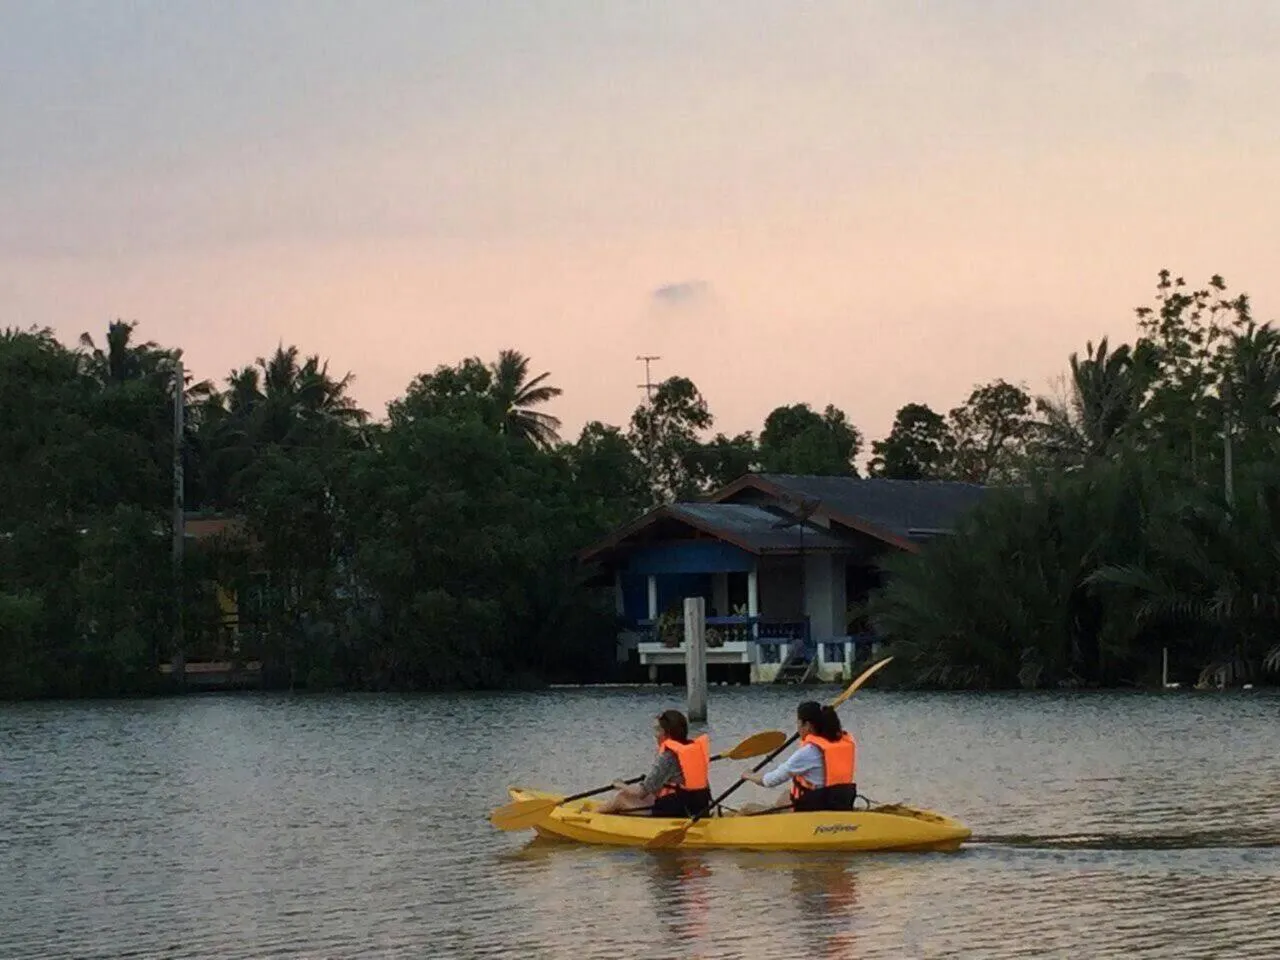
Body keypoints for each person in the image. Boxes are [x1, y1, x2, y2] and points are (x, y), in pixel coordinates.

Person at [741, 700, 856, 812]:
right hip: (841, 802)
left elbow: (769, 781)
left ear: (807, 725)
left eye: (798, 723)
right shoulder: (843, 743)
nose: (797, 728)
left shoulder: (809, 752)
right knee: (787, 794)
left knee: (747, 808)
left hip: (817, 807)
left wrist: (749, 775)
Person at [596, 709, 713, 817]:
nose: (655, 735)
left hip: (677, 810)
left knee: (621, 797)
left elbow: (641, 792)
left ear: (666, 733)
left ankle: (592, 817)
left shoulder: (668, 757)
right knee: (648, 795)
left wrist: (620, 785)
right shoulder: (693, 749)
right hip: (699, 807)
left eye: (657, 730)